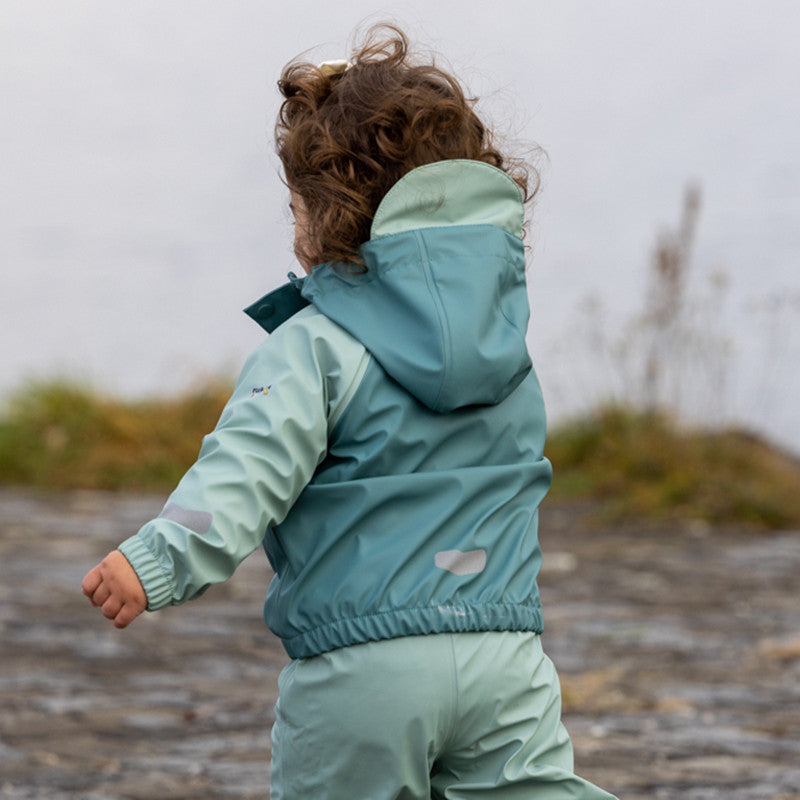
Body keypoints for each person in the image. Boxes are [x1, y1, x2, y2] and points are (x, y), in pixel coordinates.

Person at [82, 24, 618, 800]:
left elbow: (246, 472)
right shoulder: (504, 344)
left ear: (330, 214)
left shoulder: (316, 346)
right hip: (506, 655)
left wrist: (159, 559)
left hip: (366, 669)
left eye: (296, 204)